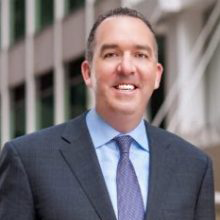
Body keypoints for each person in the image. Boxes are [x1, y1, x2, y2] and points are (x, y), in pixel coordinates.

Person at [0, 7, 215, 220]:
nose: (126, 67)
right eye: (111, 54)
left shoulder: (194, 167)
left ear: (157, 75)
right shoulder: (28, 160)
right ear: (87, 72)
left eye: (140, 55)